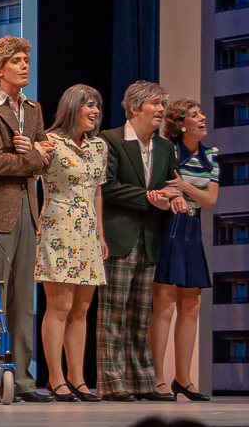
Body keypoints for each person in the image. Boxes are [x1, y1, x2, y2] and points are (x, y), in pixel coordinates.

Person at [0, 35, 48, 403]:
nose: (24, 66)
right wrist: (31, 156)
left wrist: (31, 152)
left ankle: (21, 380)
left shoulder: (33, 108)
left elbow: (46, 158)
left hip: (27, 211)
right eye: (16, 61)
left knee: (23, 300)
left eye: (25, 60)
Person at [98, 80, 179, 402]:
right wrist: (148, 196)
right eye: (155, 104)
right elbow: (106, 186)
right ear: (134, 108)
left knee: (140, 315)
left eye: (162, 104)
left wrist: (173, 196)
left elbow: (171, 185)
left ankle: (142, 380)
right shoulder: (111, 140)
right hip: (119, 235)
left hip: (150, 238)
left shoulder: (165, 148)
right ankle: (112, 381)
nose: (161, 110)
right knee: (114, 314)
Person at [34, 83, 108, 402]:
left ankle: (78, 379)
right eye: (89, 105)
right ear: (72, 107)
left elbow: (97, 192)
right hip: (58, 226)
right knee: (60, 306)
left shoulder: (99, 147)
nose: (95, 111)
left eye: (97, 105)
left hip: (88, 230)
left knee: (81, 309)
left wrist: (100, 234)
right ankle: (55, 378)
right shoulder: (50, 142)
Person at [150, 97, 216, 402]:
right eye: (194, 114)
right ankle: (157, 379)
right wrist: (181, 192)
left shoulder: (211, 155)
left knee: (192, 305)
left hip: (193, 229)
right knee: (164, 305)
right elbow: (162, 188)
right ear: (180, 124)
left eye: (201, 113)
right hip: (170, 227)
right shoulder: (169, 151)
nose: (202, 118)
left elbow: (210, 200)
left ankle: (184, 380)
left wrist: (187, 188)